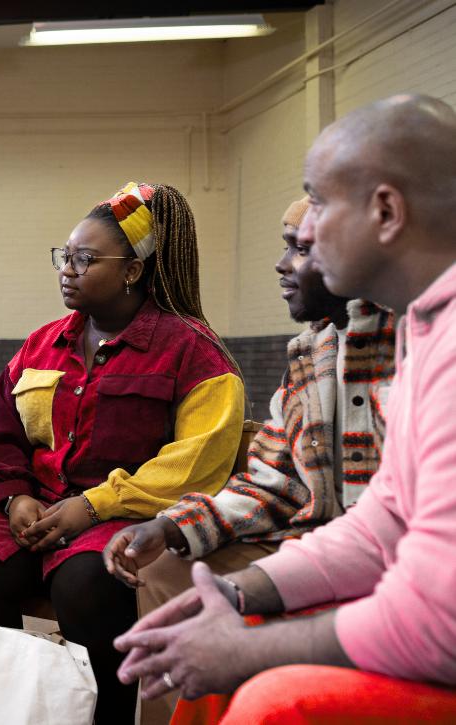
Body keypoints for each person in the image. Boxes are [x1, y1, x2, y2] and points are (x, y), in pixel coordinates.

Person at [115, 93, 456, 723]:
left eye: (318, 203)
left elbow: (439, 619)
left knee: (272, 700)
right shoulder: (425, 326)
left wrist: (247, 649)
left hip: (429, 625)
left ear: (386, 211)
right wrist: (236, 594)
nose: (303, 235)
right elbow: (379, 526)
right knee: (204, 631)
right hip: (385, 586)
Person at [0, 182, 245, 724]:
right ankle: (7, 710)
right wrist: (15, 498)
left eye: (85, 259)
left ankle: (104, 715)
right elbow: (3, 434)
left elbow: (195, 464)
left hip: (125, 516)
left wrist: (92, 506)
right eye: (64, 256)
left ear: (132, 270)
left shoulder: (194, 353)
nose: (67, 270)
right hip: (38, 506)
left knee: (88, 583)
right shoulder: (41, 345)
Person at [101, 196, 396, 724]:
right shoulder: (310, 354)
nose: (282, 265)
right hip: (313, 542)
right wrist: (170, 525)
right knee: (166, 568)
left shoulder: (414, 352)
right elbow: (271, 482)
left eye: (300, 249)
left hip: (393, 565)